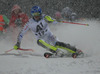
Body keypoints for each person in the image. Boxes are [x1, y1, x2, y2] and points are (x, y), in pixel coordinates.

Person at [14, 6, 83, 58]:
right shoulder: (29, 22)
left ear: (40, 13)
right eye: (34, 14)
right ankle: (57, 51)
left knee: (58, 44)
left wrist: (54, 21)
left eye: (37, 14)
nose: (36, 16)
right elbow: (21, 33)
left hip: (50, 36)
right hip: (41, 39)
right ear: (32, 14)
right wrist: (18, 43)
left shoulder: (44, 17)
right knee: (39, 41)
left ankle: (75, 50)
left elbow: (53, 21)